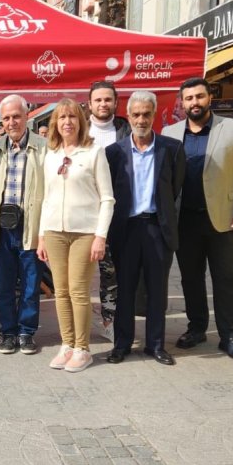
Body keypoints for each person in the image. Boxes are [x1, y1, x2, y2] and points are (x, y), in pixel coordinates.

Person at [163, 78, 233, 361]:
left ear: (209, 98)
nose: (194, 102)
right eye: (189, 98)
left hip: (224, 220)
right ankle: (197, 328)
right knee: (191, 279)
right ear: (182, 103)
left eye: (199, 96)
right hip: (185, 221)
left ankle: (230, 336)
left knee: (225, 278)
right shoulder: (170, 133)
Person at [105, 92, 185, 366]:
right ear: (128, 116)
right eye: (136, 114)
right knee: (125, 290)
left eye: (146, 114)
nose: (141, 120)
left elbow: (175, 189)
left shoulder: (171, 149)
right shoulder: (114, 153)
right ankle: (122, 344)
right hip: (126, 230)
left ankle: (156, 345)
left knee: (157, 290)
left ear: (154, 115)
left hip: (157, 229)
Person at [37, 98, 115, 373]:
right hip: (54, 232)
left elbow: (107, 198)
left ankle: (83, 348)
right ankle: (67, 344)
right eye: (62, 117)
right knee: (61, 291)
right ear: (55, 123)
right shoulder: (51, 155)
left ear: (80, 121)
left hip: (85, 232)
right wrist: (41, 236)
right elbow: (46, 197)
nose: (67, 122)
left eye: (72, 117)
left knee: (78, 291)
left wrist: (100, 236)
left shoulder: (94, 152)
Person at [0, 94, 45, 355]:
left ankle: (26, 332)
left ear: (26, 116)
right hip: (2, 228)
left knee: (31, 285)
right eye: (6, 118)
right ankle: (8, 332)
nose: (11, 122)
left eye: (16, 116)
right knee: (5, 284)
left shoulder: (44, 148)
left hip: (31, 226)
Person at [86, 81, 130, 342]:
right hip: (84, 214)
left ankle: (110, 321)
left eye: (107, 99)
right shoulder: (79, 130)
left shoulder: (126, 130)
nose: (103, 104)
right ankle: (77, 328)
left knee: (112, 273)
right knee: (81, 275)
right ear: (89, 104)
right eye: (98, 100)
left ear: (115, 102)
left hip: (117, 214)